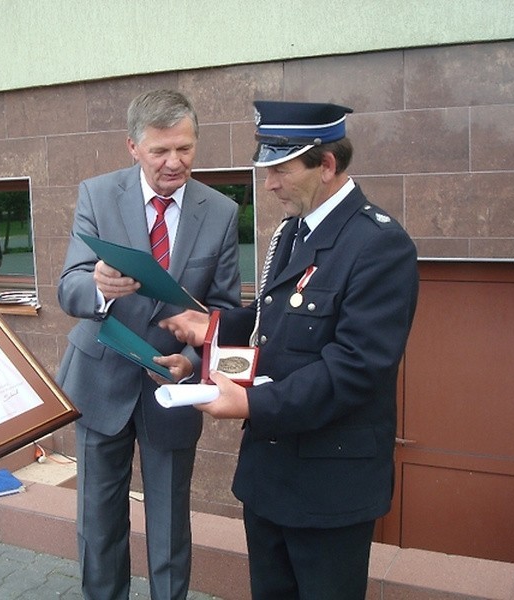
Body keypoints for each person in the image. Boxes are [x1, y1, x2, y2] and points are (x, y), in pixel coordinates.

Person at [160, 100, 419, 600]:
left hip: (329, 486)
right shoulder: (291, 233)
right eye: (267, 169)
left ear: (326, 165)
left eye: (281, 169)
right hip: (270, 478)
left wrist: (251, 403)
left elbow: (355, 369)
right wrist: (209, 327)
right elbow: (272, 327)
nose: (270, 183)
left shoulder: (378, 245)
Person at [56, 89, 241, 600]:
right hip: (99, 380)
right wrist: (96, 286)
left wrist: (197, 359)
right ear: (132, 147)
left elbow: (224, 310)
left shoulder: (221, 211)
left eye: (184, 148)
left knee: (169, 531)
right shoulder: (97, 194)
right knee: (98, 527)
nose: (174, 162)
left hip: (172, 387)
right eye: (160, 151)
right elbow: (67, 285)